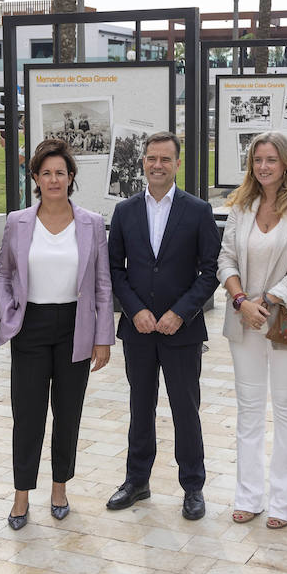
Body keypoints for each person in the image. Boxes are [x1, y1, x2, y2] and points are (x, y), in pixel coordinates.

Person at [0, 139, 113, 530]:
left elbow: (101, 284)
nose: (54, 179)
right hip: (30, 327)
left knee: (67, 413)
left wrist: (102, 337)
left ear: (71, 177)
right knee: (27, 416)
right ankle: (21, 494)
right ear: (36, 179)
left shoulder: (91, 223)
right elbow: (3, 274)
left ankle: (60, 487)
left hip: (74, 328)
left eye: (60, 172)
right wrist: (8, 309)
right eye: (46, 172)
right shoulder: (18, 221)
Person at [107, 131, 221, 520]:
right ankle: (136, 480)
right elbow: (114, 270)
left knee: (185, 409)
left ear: (177, 163)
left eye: (166, 159)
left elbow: (210, 272)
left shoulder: (198, 211)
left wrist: (181, 312)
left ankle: (192, 486)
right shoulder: (124, 211)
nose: (158, 165)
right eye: (151, 158)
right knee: (140, 407)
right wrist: (134, 310)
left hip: (182, 331)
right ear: (143, 162)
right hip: (137, 330)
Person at [218, 132, 287, 529]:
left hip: (286, 322)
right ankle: (248, 496)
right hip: (243, 319)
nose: (264, 166)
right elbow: (225, 259)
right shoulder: (241, 206)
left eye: (272, 160)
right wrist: (242, 301)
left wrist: (268, 302)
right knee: (248, 410)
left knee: (285, 410)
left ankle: (282, 502)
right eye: (258, 159)